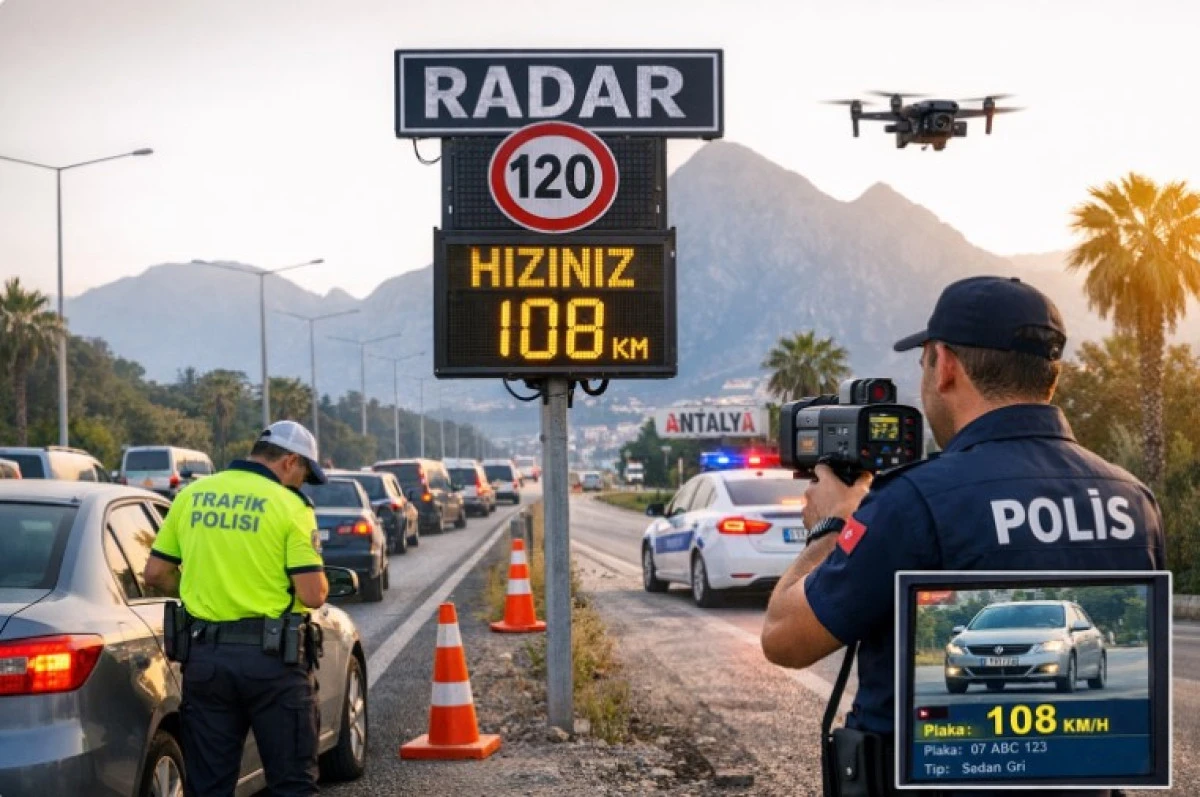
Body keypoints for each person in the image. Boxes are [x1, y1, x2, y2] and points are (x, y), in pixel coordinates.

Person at [761, 275, 1166, 797]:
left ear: (944, 364)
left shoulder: (915, 502)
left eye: (924, 364)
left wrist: (830, 526)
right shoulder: (1133, 500)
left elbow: (784, 639)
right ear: (1050, 375)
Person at [143, 420, 330, 797]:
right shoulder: (290, 506)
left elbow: (156, 573)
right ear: (290, 461)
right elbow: (312, 594)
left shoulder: (192, 495)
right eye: (303, 474)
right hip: (274, 665)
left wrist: (202, 585)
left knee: (209, 787)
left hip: (206, 662)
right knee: (292, 785)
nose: (301, 484)